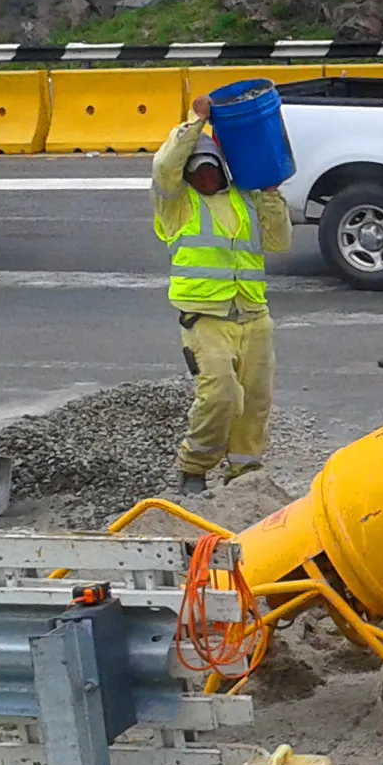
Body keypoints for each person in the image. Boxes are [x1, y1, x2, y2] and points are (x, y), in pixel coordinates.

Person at [155, 95, 293, 496]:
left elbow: (280, 242)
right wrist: (196, 123)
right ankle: (193, 467)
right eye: (195, 172)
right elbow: (164, 166)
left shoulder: (245, 199)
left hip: (253, 315)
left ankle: (244, 471)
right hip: (206, 318)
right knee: (221, 394)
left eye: (210, 170)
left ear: (222, 170)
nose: (203, 178)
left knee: (254, 400)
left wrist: (271, 196)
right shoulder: (177, 205)